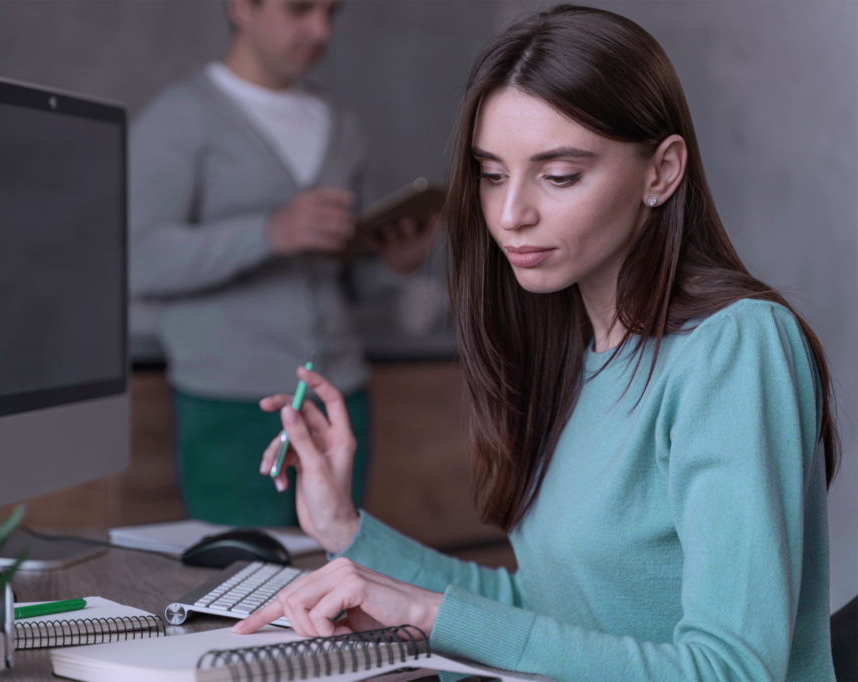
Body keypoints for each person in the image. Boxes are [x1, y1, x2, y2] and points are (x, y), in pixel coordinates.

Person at [232, 5, 839, 680]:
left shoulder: (734, 347)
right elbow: (553, 615)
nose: (511, 213)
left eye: (558, 175)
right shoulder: (575, 356)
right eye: (492, 174)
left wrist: (432, 615)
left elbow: (732, 670)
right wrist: (345, 529)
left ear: (661, 172)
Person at [129, 0, 437, 526]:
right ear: (241, 8)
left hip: (340, 396)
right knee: (239, 588)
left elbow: (336, 280)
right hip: (230, 405)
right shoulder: (178, 118)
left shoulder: (342, 127)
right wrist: (269, 232)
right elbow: (138, 261)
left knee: (335, 573)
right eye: (300, 10)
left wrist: (394, 267)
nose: (319, 30)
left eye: (330, 13)